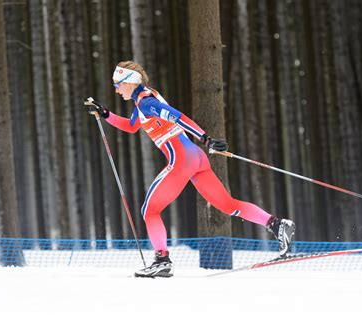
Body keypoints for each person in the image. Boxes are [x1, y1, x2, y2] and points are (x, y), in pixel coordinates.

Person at [85, 61, 295, 278]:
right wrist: (105, 113)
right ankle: (277, 224)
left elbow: (177, 116)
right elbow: (130, 126)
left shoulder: (146, 103)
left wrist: (206, 138)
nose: (116, 89)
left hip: (182, 159)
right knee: (228, 205)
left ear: (130, 82)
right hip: (196, 158)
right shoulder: (143, 100)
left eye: (118, 84)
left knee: (150, 210)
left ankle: (162, 260)